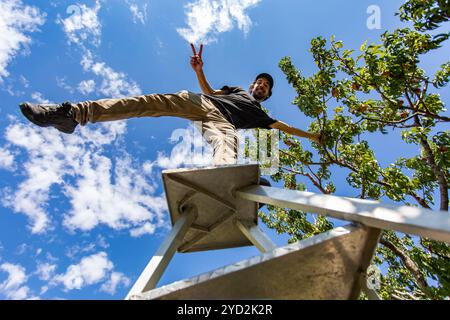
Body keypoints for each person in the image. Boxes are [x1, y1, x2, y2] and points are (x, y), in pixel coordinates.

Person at [19, 44, 321, 166]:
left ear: (266, 95)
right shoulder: (236, 89)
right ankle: (73, 114)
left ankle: (224, 178)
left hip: (221, 123)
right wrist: (199, 70)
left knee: (228, 143)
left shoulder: (260, 114)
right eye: (258, 82)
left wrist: (314, 137)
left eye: (264, 87)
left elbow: (286, 128)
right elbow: (208, 90)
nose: (258, 86)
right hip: (201, 101)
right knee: (149, 102)